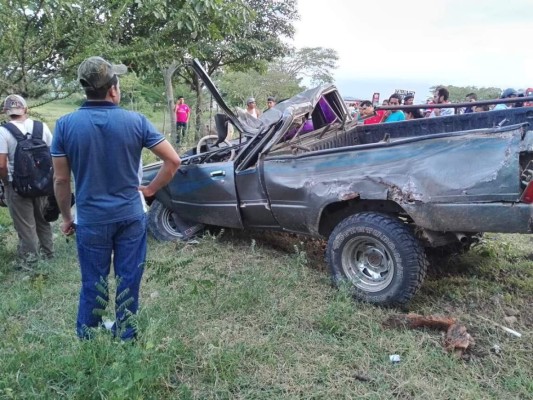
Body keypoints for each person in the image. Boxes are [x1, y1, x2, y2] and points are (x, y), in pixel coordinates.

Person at [51, 56, 181, 341]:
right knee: (128, 279)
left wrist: (67, 217)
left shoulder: (64, 125)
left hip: (90, 219)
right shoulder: (136, 121)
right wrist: (149, 190)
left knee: (92, 282)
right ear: (113, 89)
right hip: (130, 217)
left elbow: (61, 180)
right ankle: (126, 335)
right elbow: (173, 161)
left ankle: (89, 338)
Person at [0, 95, 54, 266]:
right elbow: (53, 154)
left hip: (17, 185)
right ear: (25, 109)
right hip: (42, 183)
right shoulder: (41, 127)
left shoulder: (3, 131)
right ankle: (49, 253)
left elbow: (1, 164)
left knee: (25, 226)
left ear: (5, 111)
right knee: (42, 220)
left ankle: (31, 262)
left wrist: (7, 183)